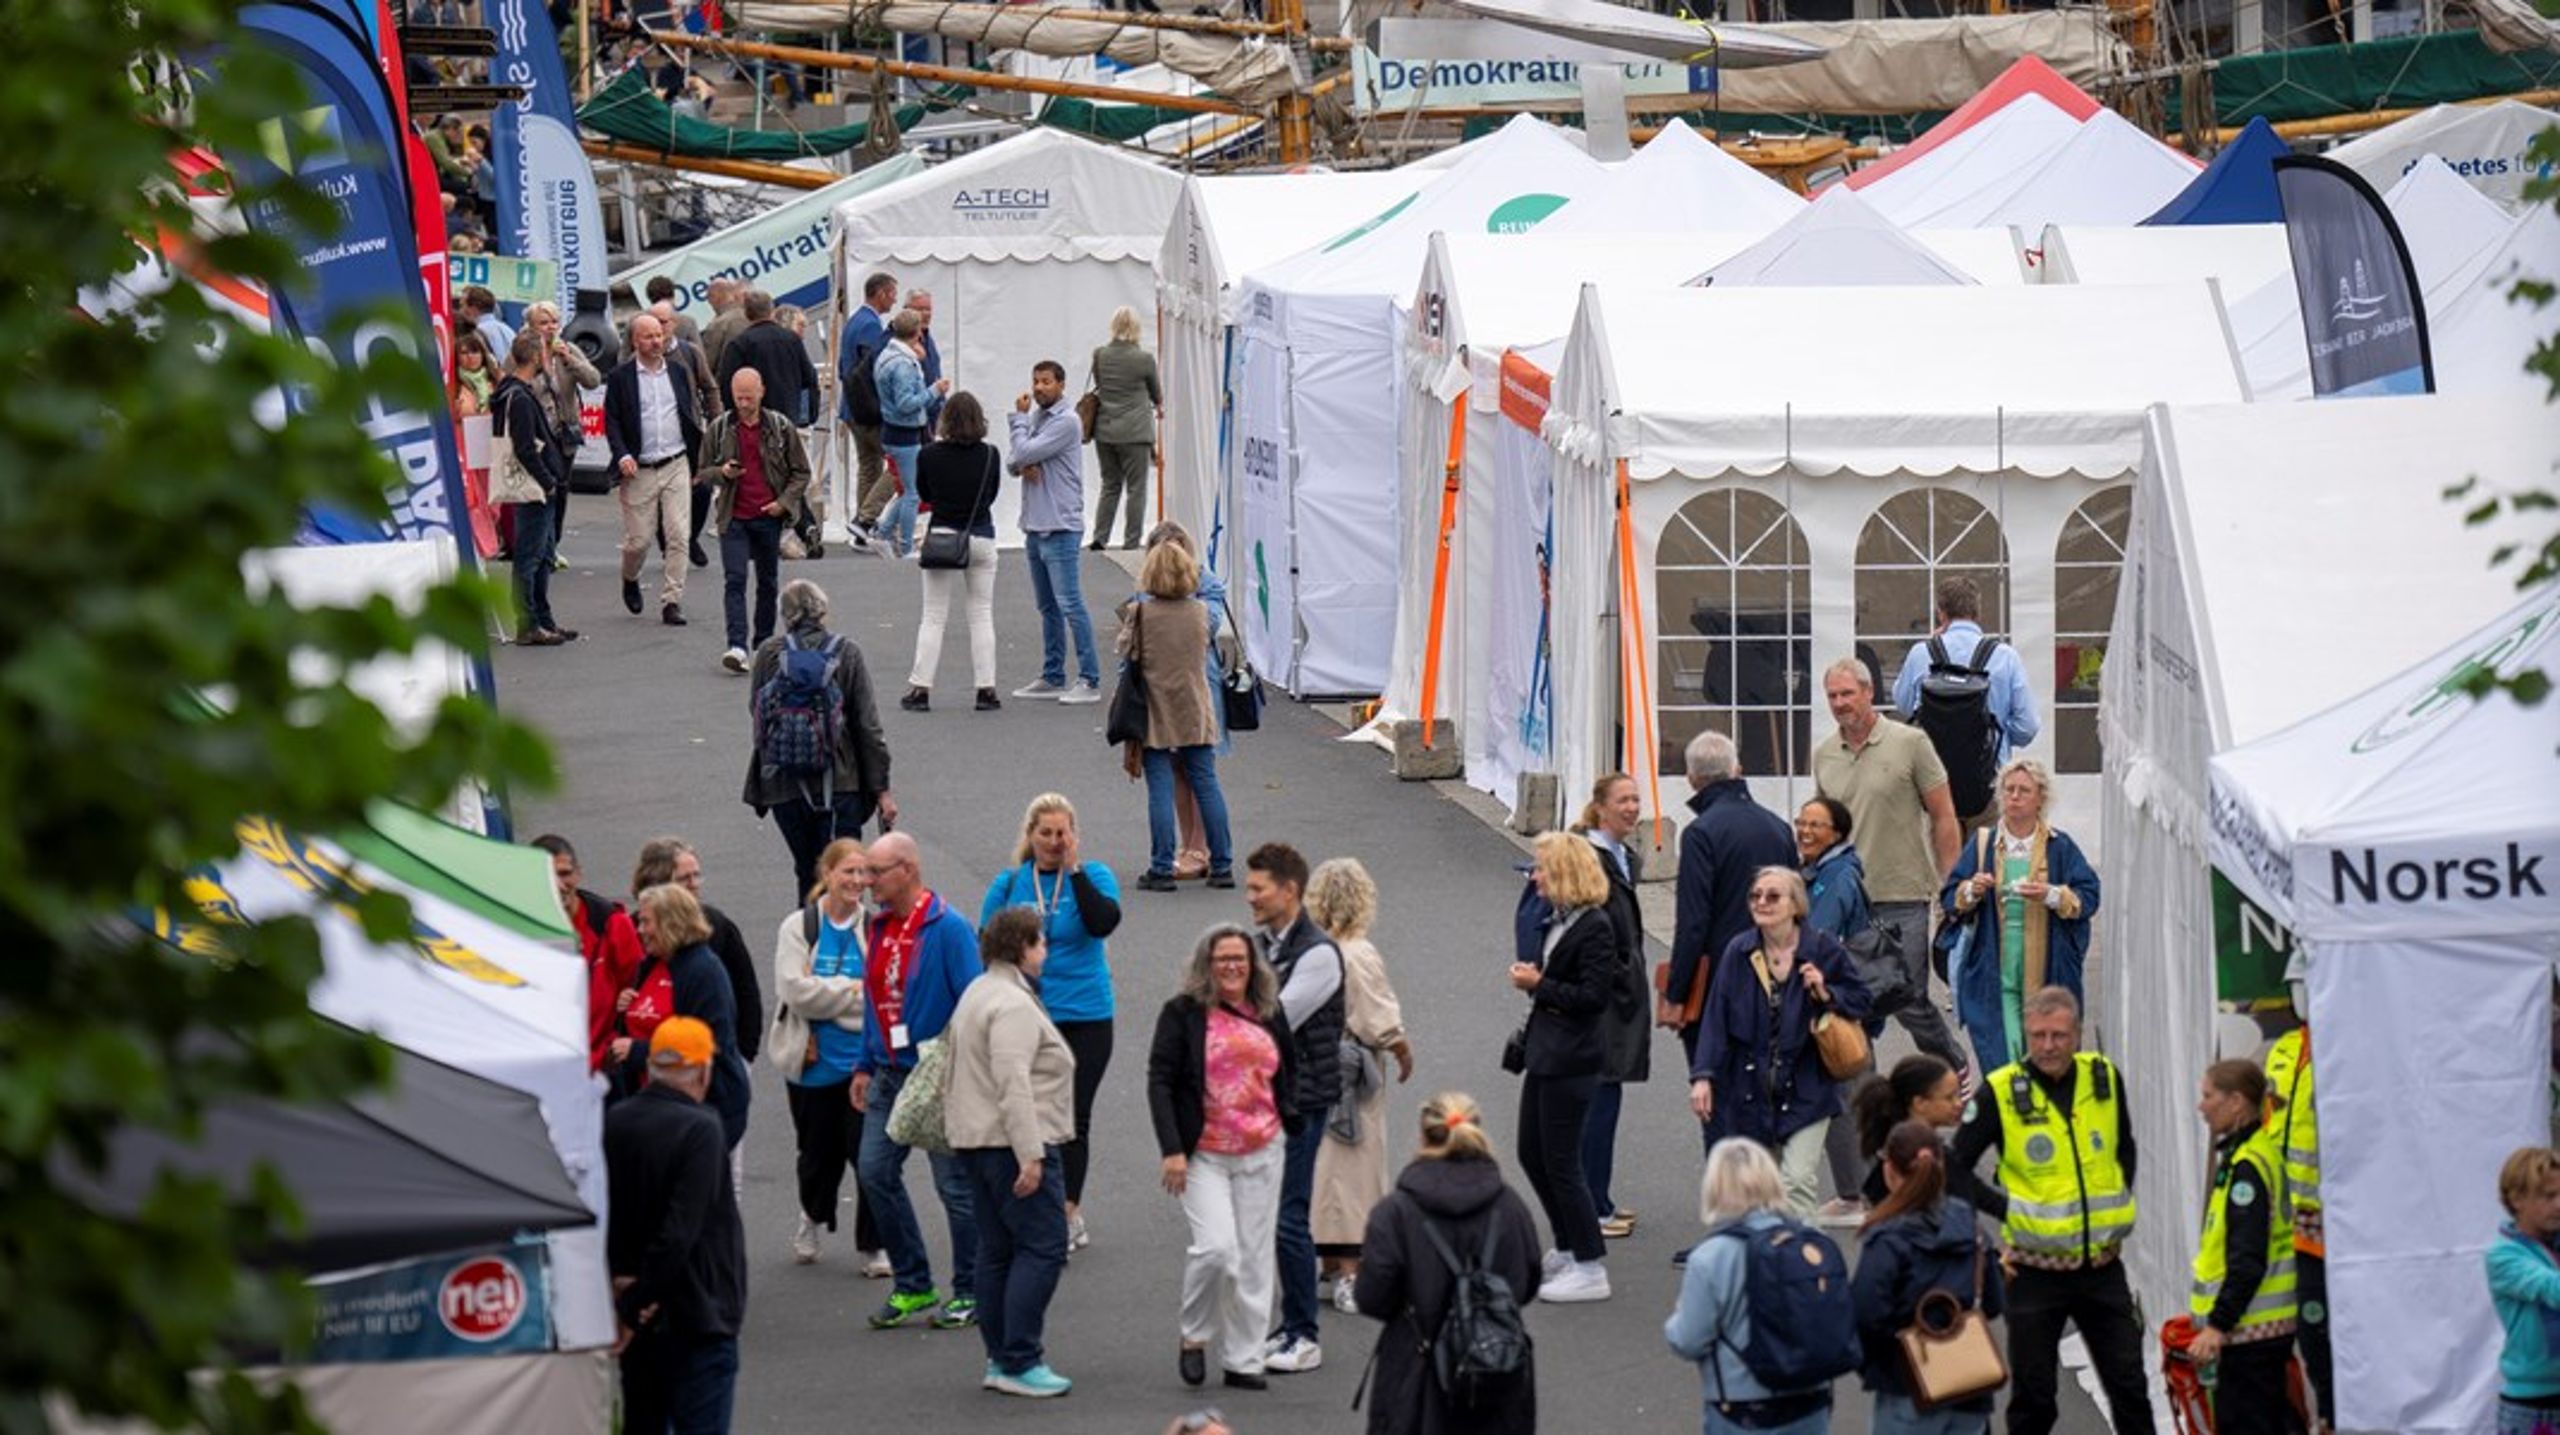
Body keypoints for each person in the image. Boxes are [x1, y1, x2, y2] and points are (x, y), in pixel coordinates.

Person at [1946, 986, 2154, 1435]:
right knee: (2035, 1398)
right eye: (2038, 1036)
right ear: (2026, 1035)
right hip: (2034, 1273)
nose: (2048, 1046)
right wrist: (2006, 1210)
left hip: (2102, 1268)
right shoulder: (2001, 1091)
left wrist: (2117, 1202)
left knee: (2131, 1389)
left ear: (2077, 1035)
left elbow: (2126, 1147)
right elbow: (1952, 1167)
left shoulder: (2104, 1078)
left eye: (2058, 1036)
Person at [1148, 924, 1299, 1392]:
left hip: (1262, 1147)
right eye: (1222, 959)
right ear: (1206, 966)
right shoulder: (1182, 1014)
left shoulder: (1270, 1012)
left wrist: (1288, 1118)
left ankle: (1244, 1359)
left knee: (1254, 1259)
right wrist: (1172, 1149)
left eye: (1240, 959)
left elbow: (1288, 1068)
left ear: (1253, 966)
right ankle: (1194, 1334)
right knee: (1217, 1250)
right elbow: (1161, 1081)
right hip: (1204, 1152)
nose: (1232, 967)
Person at [943, 906, 1079, 1398]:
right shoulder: (1014, 1005)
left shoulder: (978, 991)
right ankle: (1020, 1357)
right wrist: (1032, 1154)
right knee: (1042, 1247)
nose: (1046, 950)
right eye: (1041, 942)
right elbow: (1013, 1081)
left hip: (974, 1142)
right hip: (1011, 1143)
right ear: (1023, 947)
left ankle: (1001, 1357)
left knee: (996, 1252)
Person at [849, 831, 982, 1331]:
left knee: (955, 1188)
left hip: (937, 1075)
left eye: (875, 873)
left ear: (906, 870)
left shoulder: (948, 929)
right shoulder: (881, 926)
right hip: (887, 1073)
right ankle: (914, 1283)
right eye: (863, 872)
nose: (866, 883)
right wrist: (864, 1063)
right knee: (874, 1171)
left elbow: (973, 1003)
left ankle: (969, 1289)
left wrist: (963, 1073)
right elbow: (873, 1000)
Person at [1350, 1091, 1543, 1435]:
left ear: (1424, 1136)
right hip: (1495, 1375)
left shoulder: (1395, 1213)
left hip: (1413, 1376)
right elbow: (1526, 1283)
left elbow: (1371, 1296)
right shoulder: (1510, 1208)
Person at [979, 794, 1122, 1251]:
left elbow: (1103, 923)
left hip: (1087, 1014)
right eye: (1046, 833)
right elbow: (986, 941)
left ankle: (1068, 1211)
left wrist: (1075, 871)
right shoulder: (1010, 884)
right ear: (1031, 836)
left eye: (1063, 834)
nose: (1055, 842)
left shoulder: (1093, 876)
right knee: (1030, 1115)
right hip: (1029, 1016)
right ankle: (1033, 1203)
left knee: (1073, 1116)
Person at [1814, 656, 1969, 1078]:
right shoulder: (1824, 754)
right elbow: (1823, 827)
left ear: (1869, 693)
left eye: (1847, 693)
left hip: (1903, 893)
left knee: (1908, 997)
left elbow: (1943, 814)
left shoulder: (1910, 743)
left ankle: (1953, 1066)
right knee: (1854, 1000)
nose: (1840, 703)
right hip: (1850, 900)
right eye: (1832, 696)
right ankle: (1866, 1099)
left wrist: (1951, 884)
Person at [1688, 867, 1873, 1218]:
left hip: (1809, 1087)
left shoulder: (1822, 948)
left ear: (1795, 905)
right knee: (1763, 1192)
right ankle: (1774, 1263)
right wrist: (1703, 1076)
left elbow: (1862, 999)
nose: (1762, 903)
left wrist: (1826, 990)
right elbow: (1717, 1017)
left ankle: (1808, 1266)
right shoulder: (1739, 952)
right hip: (1752, 1091)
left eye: (1773, 896)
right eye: (1755, 896)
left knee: (1797, 1182)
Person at [605, 1017, 746, 1435]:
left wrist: (627, 1303)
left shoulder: (617, 1121)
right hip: (698, 1314)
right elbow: (681, 1230)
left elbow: (608, 1212)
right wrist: (640, 1300)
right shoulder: (701, 1129)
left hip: (640, 1322)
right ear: (702, 1071)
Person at [1245, 843, 1344, 1372]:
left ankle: (1304, 1334)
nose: (1250, 897)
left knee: (1288, 1217)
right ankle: (1289, 1327)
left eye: (1259, 888)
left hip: (1302, 1099)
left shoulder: (1319, 954)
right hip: (1274, 1098)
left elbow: (1269, 1021)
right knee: (1274, 1216)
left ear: (1289, 891)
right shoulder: (1269, 944)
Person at [1937, 757, 2099, 1080]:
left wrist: (2051, 894)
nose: (2013, 796)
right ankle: (2011, 1115)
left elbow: (2089, 897)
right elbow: (1951, 897)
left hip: (2046, 967)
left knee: (2045, 1048)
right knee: (2002, 1056)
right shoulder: (1983, 844)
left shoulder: (2059, 846)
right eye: (2008, 789)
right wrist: (1972, 889)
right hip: (1994, 967)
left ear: (2040, 798)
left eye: (2023, 790)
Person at [767, 837, 885, 1276]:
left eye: (863, 873)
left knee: (871, 1157)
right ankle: (812, 1214)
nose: (857, 881)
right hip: (813, 1065)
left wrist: (828, 996)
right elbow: (794, 991)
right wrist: (852, 992)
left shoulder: (875, 928)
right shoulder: (799, 927)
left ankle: (874, 1246)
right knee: (818, 1159)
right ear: (827, 874)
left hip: (865, 1064)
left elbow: (881, 996)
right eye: (848, 872)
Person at [1511, 831, 1620, 1304]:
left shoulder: (1594, 926)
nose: (1533, 877)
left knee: (1560, 1159)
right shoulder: (1556, 920)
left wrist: (1540, 985)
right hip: (1547, 1050)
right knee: (1531, 1152)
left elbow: (1595, 998)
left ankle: (1590, 1263)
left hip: (1572, 1056)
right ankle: (1568, 1243)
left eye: (1541, 869)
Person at [1667, 1138, 1839, 1435]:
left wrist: (1677, 1317)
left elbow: (1687, 1339)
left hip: (1742, 1405)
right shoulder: (1809, 1244)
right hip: (1811, 1399)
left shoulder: (1711, 1257)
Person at [740, 580, 896, 903]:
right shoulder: (846, 652)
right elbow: (867, 725)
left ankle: (808, 938)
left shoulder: (770, 653)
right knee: (845, 875)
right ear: (822, 611)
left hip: (783, 785)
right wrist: (881, 790)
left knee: (807, 870)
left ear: (786, 615)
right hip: (839, 783)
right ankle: (844, 945)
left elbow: (756, 709)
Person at [1851, 1121, 2005, 1435]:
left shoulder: (1888, 1238)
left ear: (1889, 1171)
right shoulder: (1969, 1227)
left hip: (1907, 1383)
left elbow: (1866, 1313)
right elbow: (1992, 1303)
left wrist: (1877, 1366)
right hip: (1969, 1386)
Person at [1661, 733, 1796, 1086]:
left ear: (1692, 778)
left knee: (1717, 1092)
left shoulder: (1700, 834)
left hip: (1718, 980)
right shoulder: (1779, 828)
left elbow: (1693, 922)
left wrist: (1676, 992)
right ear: (1737, 769)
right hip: (1775, 973)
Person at [1309, 859, 1413, 1306]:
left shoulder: (1314, 949)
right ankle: (1353, 1273)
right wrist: (1401, 1046)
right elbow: (1377, 1018)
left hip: (1314, 1065)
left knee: (1323, 1167)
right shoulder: (1359, 952)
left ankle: (1331, 1265)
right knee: (1355, 1168)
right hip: (1353, 1068)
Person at [2190, 1059, 2298, 1435]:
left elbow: (2247, 1258)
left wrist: (2217, 1325)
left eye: (2208, 1096)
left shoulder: (2247, 1167)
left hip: (2250, 1332)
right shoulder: (2249, 1153)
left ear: (2236, 1102)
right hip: (2260, 1330)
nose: (2201, 1107)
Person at [1119, 539, 1235, 891]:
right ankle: (1222, 863)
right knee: (1206, 782)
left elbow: (1126, 652)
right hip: (1195, 705)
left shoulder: (1141, 614)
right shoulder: (1200, 612)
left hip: (1156, 708)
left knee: (1160, 786)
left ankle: (1161, 865)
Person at [1891, 575, 2039, 827]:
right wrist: (1995, 729)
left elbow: (1904, 705)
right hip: (1989, 784)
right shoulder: (2005, 657)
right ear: (1977, 611)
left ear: (1941, 612)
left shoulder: (1921, 654)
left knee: (1941, 866)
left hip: (1932, 784)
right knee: (1991, 863)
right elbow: (2028, 728)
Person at [1575, 774, 1652, 1242]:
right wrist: (1618, 970)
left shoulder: (1623, 857)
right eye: (1623, 800)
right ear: (1600, 807)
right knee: (1598, 1103)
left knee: (1607, 1099)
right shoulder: (1591, 858)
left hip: (1619, 997)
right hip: (1603, 1000)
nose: (1632, 808)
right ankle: (1590, 1205)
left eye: (1636, 799)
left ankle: (1598, 1198)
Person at [623, 885, 752, 1161]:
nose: (640, 930)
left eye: (646, 922)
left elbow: (709, 1045)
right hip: (659, 1107)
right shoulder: (652, 963)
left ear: (670, 923)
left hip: (703, 1108)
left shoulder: (703, 972)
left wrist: (637, 1052)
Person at [701, 367, 811, 673]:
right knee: (734, 579)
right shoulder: (720, 428)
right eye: (738, 397)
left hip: (768, 515)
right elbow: (702, 471)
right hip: (733, 515)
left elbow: (801, 472)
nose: (744, 403)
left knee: (767, 581)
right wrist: (722, 472)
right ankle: (736, 644)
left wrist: (784, 503)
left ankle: (762, 642)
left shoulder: (780, 427)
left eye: (749, 397)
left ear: (762, 391)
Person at [1799, 794, 1876, 1226]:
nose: (1806, 831)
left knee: (1844, 1093)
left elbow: (1818, 937)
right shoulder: (1825, 869)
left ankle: (1857, 1195)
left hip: (1836, 1000)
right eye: (1802, 822)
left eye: (1816, 825)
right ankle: (1861, 1190)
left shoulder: (1837, 876)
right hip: (1842, 996)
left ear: (1838, 833)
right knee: (1853, 1089)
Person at [902, 391, 1004, 713]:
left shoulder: (929, 455)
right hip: (981, 535)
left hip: (944, 534)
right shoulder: (991, 454)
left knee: (933, 615)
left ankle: (921, 688)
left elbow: (926, 494)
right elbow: (990, 496)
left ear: (945, 420)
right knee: (981, 613)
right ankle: (986, 689)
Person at [1009, 360, 1103, 705]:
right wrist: (1023, 461)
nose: (1038, 388)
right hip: (1035, 523)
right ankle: (1053, 674)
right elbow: (1012, 461)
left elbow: (1021, 451)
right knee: (1047, 605)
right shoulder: (1038, 419)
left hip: (1061, 524)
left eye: (1046, 382)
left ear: (1061, 384)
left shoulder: (1066, 421)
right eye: (1035, 381)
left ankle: (1090, 678)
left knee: (1070, 603)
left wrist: (1019, 428)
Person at [605, 312, 704, 628]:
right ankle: (629, 576)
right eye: (648, 336)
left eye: (659, 335)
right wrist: (622, 455)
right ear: (635, 341)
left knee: (678, 535)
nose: (656, 341)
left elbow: (687, 411)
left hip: (676, 461)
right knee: (640, 541)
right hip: (640, 468)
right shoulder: (622, 377)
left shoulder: (676, 371)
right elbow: (613, 420)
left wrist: (697, 453)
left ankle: (672, 601)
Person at [2263, 982, 2331, 1431]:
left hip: (2331, 1227)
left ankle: (2334, 1414)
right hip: (2283, 1226)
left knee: (2326, 1331)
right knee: (2292, 1332)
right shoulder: (2284, 1050)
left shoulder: (2348, 1050)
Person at [632, 837, 761, 1064]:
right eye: (684, 878)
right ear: (660, 884)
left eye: (696, 875)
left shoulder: (717, 927)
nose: (694, 884)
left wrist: (744, 1056)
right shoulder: (635, 929)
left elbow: (746, 992)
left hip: (705, 1066)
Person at [535, 834, 642, 1074]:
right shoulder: (520, 933)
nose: (559, 885)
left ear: (578, 873)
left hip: (606, 1070)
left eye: (564, 874)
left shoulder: (611, 923)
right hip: (551, 1069)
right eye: (547, 876)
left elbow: (636, 988)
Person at [492, 333, 573, 645]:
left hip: (538, 486)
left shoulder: (511, 392)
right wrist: (548, 481)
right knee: (531, 557)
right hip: (535, 488)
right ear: (536, 357)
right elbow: (526, 448)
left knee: (541, 555)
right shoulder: (522, 398)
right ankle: (528, 623)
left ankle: (543, 619)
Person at [523, 298, 603, 559]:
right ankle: (538, 544)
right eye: (543, 323)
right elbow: (510, 378)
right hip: (534, 433)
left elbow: (593, 380)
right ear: (531, 326)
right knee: (538, 488)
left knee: (560, 488)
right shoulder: (523, 350)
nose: (550, 328)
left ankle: (552, 544)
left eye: (554, 322)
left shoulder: (566, 349)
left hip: (563, 432)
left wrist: (569, 359)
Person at [2489, 1146, 2560, 1435]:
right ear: (2516, 1199)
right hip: (2530, 1406)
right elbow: (2553, 1289)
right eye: (2549, 1196)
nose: (2559, 1204)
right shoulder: (2504, 1256)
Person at [871, 308, 944, 558]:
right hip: (905, 432)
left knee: (906, 490)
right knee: (913, 493)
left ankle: (882, 533)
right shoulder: (903, 364)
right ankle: (906, 546)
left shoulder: (886, 355)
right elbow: (906, 403)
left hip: (892, 430)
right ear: (917, 334)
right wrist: (934, 391)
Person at [1088, 304, 1162, 551]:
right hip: (1135, 431)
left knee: (1109, 485)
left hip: (1105, 429)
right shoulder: (1144, 359)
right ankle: (1131, 541)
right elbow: (1156, 394)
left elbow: (1100, 385)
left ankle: (1100, 536)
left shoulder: (1100, 355)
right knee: (1136, 488)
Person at [1850, 1055, 1962, 1206]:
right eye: (1949, 1098)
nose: (1959, 1104)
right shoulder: (1922, 1157)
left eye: (1958, 1096)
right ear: (1919, 1103)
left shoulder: (1893, 1148)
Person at [842, 270, 897, 539]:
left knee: (869, 465)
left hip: (850, 408)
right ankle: (865, 517)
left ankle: (861, 524)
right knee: (897, 462)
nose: (894, 301)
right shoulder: (870, 326)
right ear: (881, 293)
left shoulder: (855, 321)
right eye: (892, 295)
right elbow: (871, 369)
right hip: (866, 410)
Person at [715, 288, 817, 426]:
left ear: (747, 313)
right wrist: (807, 415)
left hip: (753, 423)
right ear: (772, 311)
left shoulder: (739, 344)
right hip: (789, 419)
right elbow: (809, 378)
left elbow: (727, 385)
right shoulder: (792, 339)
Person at [700, 277, 748, 377]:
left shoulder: (717, 325)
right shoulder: (751, 314)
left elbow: (707, 364)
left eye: (709, 298)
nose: (709, 302)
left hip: (729, 382)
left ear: (715, 297)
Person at [461, 284, 515, 363]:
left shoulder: (477, 334)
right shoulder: (509, 330)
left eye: (462, 305)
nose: (460, 311)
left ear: (473, 309)